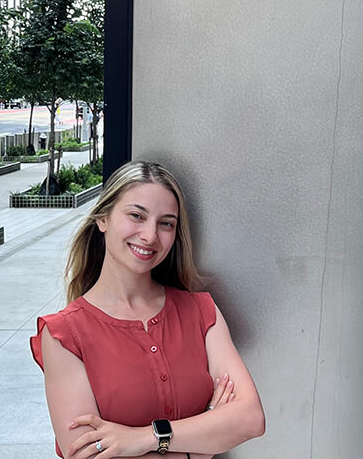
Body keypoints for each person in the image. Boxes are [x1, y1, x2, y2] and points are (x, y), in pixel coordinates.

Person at [31, 161, 265, 459]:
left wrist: (144, 438)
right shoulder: (64, 335)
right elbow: (85, 455)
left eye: (166, 223)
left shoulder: (200, 312)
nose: (150, 236)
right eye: (136, 216)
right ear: (103, 218)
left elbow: (250, 419)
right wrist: (201, 447)